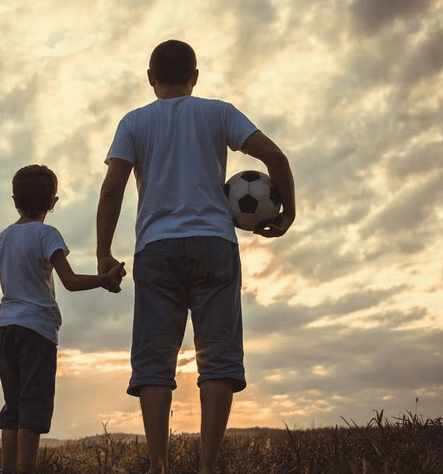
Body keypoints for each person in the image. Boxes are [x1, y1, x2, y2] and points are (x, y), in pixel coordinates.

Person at [96, 40, 296, 474]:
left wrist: (102, 254)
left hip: (155, 247)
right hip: (214, 245)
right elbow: (276, 156)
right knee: (218, 356)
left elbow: (111, 190)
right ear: (196, 76)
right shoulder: (218, 111)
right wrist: (289, 212)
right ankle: (207, 466)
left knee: (153, 360)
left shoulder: (133, 122)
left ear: (150, 78)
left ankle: (159, 465)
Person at [0, 164, 125, 474]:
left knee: (13, 406)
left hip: (6, 329)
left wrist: (0, 309)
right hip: (36, 331)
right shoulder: (47, 234)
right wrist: (105, 279)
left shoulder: (6, 236)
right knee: (32, 408)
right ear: (53, 202)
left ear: (15, 200)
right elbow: (70, 281)